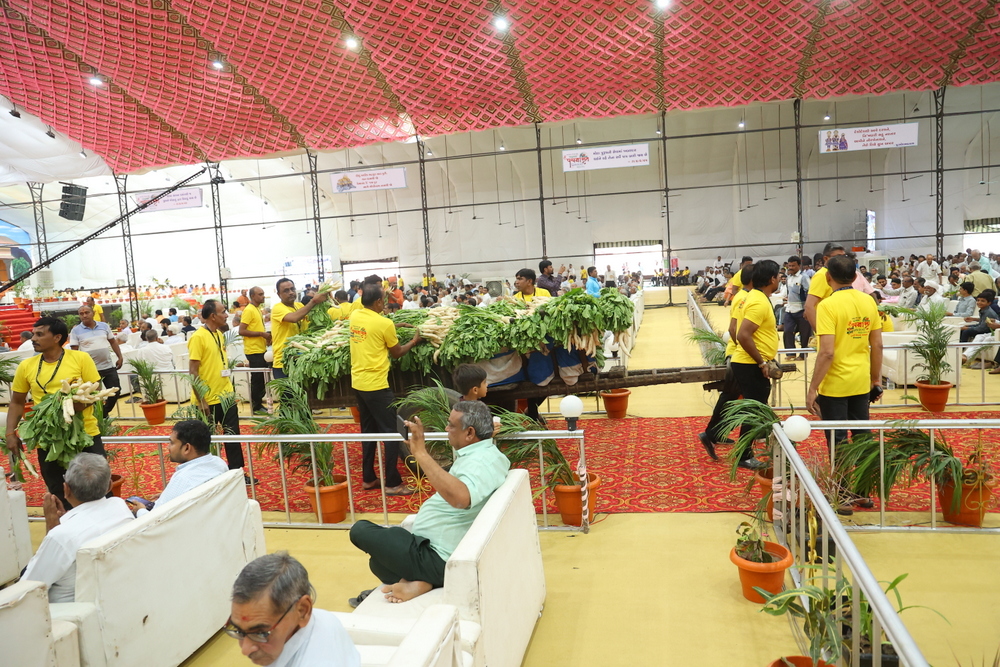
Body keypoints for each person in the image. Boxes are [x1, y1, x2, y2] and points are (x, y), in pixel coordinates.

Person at [349, 401, 509, 605]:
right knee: (377, 564)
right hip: (431, 548)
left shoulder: (480, 462)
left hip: (438, 557)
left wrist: (421, 453)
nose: (446, 429)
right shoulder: (484, 453)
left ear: (470, 433)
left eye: (451, 425)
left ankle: (427, 580)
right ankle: (422, 582)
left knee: (360, 530)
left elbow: (461, 498)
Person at [7, 318, 106, 508]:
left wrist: (78, 405)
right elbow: (17, 402)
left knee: (96, 490)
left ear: (57, 337)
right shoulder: (26, 366)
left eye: (39, 334)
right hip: (48, 439)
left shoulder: (80, 358)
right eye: (33, 334)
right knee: (59, 492)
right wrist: (10, 433)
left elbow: (95, 391)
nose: (33, 339)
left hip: (85, 435)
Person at [21, 453, 133, 602]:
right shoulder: (120, 507)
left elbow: (27, 589)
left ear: (66, 489)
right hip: (117, 598)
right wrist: (63, 523)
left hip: (68, 611)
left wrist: (52, 528)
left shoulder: (61, 536)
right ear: (109, 486)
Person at [349, 284, 422, 496]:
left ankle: (368, 479)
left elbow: (374, 330)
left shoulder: (356, 316)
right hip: (377, 385)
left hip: (359, 383)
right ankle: (392, 483)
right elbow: (397, 352)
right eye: (383, 299)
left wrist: (394, 325)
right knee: (392, 432)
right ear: (378, 302)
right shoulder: (383, 323)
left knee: (368, 432)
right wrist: (414, 341)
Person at [228, 552, 360, 666]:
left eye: (261, 633)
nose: (245, 649)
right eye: (238, 630)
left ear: (303, 610)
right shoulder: (323, 618)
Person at [806, 255, 883, 449]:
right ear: (855, 277)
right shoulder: (868, 301)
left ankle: (841, 470)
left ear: (828, 277)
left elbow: (827, 352)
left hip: (835, 383)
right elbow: (877, 345)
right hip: (861, 379)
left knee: (837, 437)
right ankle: (865, 468)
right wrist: (876, 379)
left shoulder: (827, 305)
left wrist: (813, 388)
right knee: (862, 436)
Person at [731, 260, 782, 470]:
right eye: (778, 276)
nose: (780, 279)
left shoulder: (755, 297)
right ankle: (744, 454)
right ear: (771, 279)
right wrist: (761, 362)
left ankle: (747, 450)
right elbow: (743, 334)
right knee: (754, 410)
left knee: (755, 409)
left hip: (748, 362)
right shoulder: (759, 301)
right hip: (750, 363)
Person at [188, 299, 247, 480]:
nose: (226, 315)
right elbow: (193, 371)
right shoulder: (198, 337)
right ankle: (209, 476)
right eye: (223, 312)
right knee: (205, 441)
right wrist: (202, 400)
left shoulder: (219, 334)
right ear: (213, 316)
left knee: (232, 435)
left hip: (226, 396)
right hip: (208, 399)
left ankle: (237, 473)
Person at [698, 266, 752, 461]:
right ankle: (713, 434)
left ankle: (715, 433)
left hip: (739, 353)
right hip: (741, 354)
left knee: (731, 395)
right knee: (736, 396)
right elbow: (735, 329)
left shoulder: (743, 297)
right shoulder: (744, 298)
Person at [129, 420, 228, 516]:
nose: (168, 447)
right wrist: (168, 495)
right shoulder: (219, 463)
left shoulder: (183, 479)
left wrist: (140, 510)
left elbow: (154, 521)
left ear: (187, 448)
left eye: (172, 443)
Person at [70, 305, 124, 416]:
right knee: (95, 396)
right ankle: (100, 419)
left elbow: (113, 342)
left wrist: (120, 357)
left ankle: (104, 413)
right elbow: (74, 351)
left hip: (108, 366)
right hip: (91, 370)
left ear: (93, 313)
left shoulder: (104, 326)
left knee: (116, 391)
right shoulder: (75, 331)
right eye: (81, 313)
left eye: (87, 312)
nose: (84, 315)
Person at [272, 278, 324, 379]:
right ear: (279, 294)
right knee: (288, 389)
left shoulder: (299, 305)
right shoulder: (277, 308)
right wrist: (314, 301)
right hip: (284, 362)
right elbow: (294, 318)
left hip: (301, 359)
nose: (291, 292)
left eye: (292, 289)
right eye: (286, 291)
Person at [239, 287, 272, 415]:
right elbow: (242, 331)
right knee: (257, 379)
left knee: (261, 379)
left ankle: (258, 404)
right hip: (253, 350)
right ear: (253, 296)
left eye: (263, 294)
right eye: (260, 294)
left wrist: (266, 337)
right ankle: (256, 406)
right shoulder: (249, 310)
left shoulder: (257, 309)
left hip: (260, 348)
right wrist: (261, 334)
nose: (263, 296)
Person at [804, 243, 846, 329]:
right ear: (826, 258)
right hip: (827, 326)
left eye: (844, 256)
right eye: (838, 256)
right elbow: (809, 306)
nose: (842, 260)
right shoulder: (821, 275)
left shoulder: (838, 274)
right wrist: (819, 331)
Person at [782, 256, 812, 360]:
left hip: (802, 309)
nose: (790, 267)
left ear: (799, 265)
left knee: (804, 334)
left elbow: (809, 293)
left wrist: (807, 309)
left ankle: (803, 355)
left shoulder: (804, 277)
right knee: (787, 331)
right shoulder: (788, 277)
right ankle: (790, 353)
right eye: (789, 266)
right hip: (790, 309)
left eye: (793, 265)